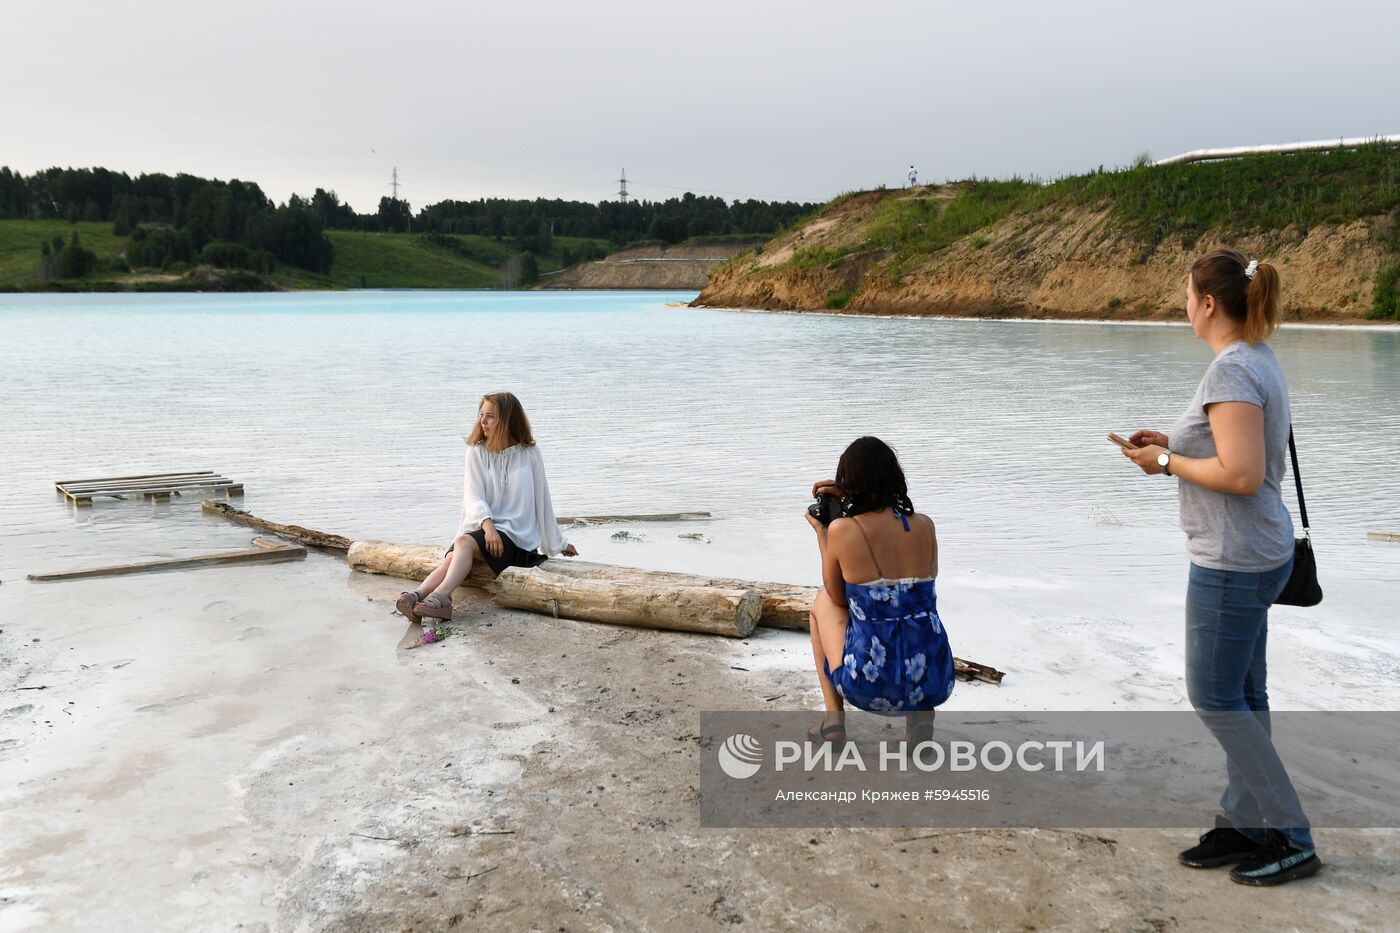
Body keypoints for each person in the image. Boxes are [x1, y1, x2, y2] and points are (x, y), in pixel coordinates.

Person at [1122, 249, 1320, 886]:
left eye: (1187, 294)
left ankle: (1290, 834)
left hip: (1232, 560)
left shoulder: (1233, 370)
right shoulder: (1253, 359)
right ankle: (1247, 821)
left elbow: (1240, 473)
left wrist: (1164, 465)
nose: (1184, 304)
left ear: (1208, 304)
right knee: (1245, 694)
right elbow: (1235, 450)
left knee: (1213, 696)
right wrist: (1173, 444)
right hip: (1257, 551)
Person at [806, 436, 956, 746]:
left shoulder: (842, 530)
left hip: (869, 686)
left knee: (821, 603)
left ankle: (834, 720)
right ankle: (920, 716)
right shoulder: (925, 525)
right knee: (911, 612)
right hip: (935, 679)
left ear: (848, 484)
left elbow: (836, 596)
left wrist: (824, 533)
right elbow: (924, 582)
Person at [397, 392, 578, 640]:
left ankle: (435, 596)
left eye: (490, 416)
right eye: (481, 415)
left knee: (461, 545)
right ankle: (421, 597)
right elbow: (473, 496)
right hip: (484, 529)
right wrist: (489, 526)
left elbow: (543, 502)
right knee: (458, 550)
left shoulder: (530, 454)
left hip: (516, 538)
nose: (483, 421)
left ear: (507, 420)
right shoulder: (476, 451)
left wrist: (559, 543)